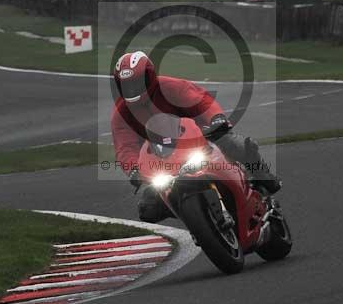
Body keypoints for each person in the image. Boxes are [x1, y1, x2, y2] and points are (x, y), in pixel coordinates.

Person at [110, 51, 281, 223]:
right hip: (163, 158)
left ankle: (264, 177)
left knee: (235, 144)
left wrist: (216, 119)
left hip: (202, 136)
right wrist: (133, 168)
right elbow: (125, 147)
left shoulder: (171, 87)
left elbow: (201, 102)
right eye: (127, 85)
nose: (132, 89)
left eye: (137, 83)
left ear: (150, 75)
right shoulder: (120, 114)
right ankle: (193, 219)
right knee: (148, 209)